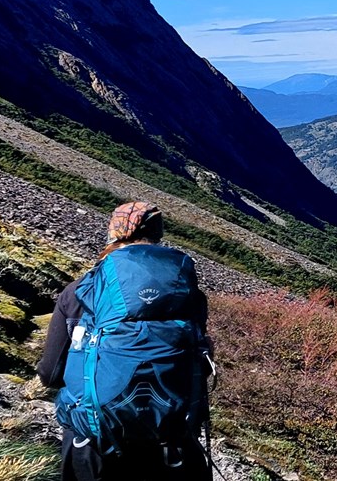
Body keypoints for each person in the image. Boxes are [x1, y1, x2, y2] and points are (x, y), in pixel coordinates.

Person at [37, 201, 214, 480]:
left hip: (95, 438)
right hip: (171, 437)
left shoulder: (81, 291)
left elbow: (50, 373)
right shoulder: (186, 294)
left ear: (112, 233)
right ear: (157, 235)